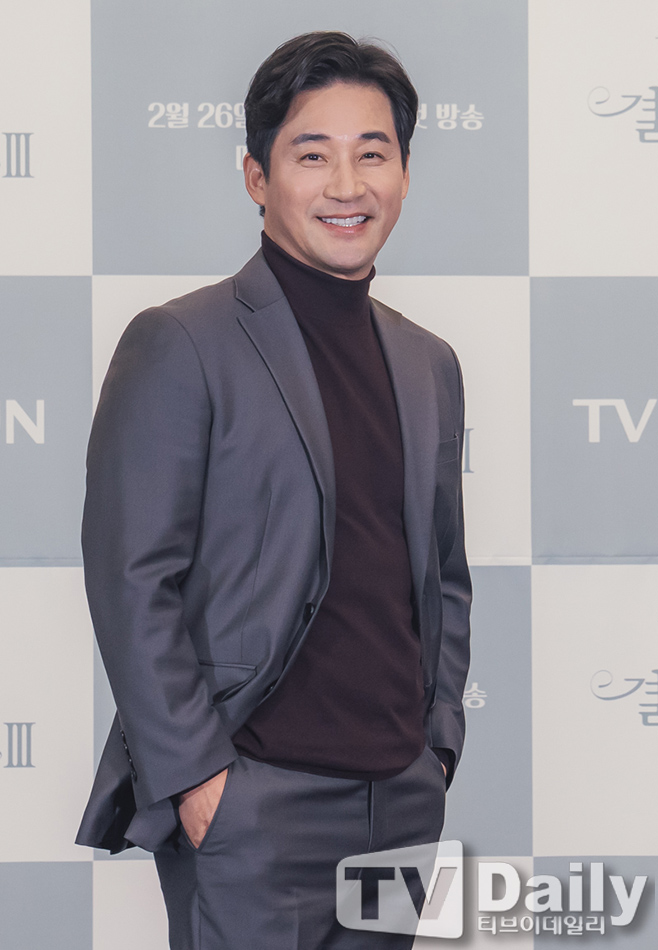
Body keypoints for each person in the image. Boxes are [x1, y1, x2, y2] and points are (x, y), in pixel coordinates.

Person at [76, 31, 471, 950]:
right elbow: (132, 577)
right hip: (254, 808)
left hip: (401, 803)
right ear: (258, 176)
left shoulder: (430, 364)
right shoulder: (183, 342)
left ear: (405, 174)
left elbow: (442, 576)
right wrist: (199, 781)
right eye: (312, 155)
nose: (347, 184)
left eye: (373, 153)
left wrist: (437, 746)